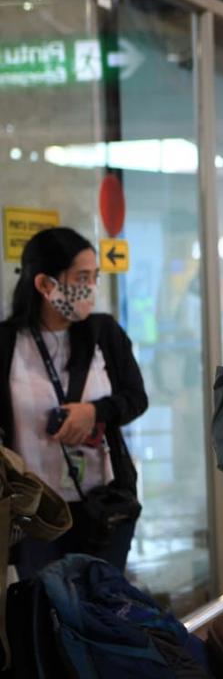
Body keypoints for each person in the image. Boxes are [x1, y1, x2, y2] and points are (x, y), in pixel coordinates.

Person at [3, 228, 147, 578]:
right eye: (82, 277)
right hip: (35, 512)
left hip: (102, 505)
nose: (90, 288)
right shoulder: (7, 343)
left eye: (94, 277)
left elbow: (135, 398)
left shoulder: (104, 333)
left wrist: (95, 412)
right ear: (45, 285)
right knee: (45, 610)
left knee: (99, 605)